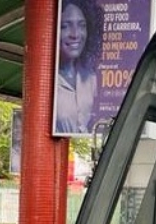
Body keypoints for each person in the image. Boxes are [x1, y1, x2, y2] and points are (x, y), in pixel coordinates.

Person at [54, 0, 101, 134]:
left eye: (82, 25)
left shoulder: (92, 78)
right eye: (65, 26)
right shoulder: (47, 82)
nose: (75, 34)